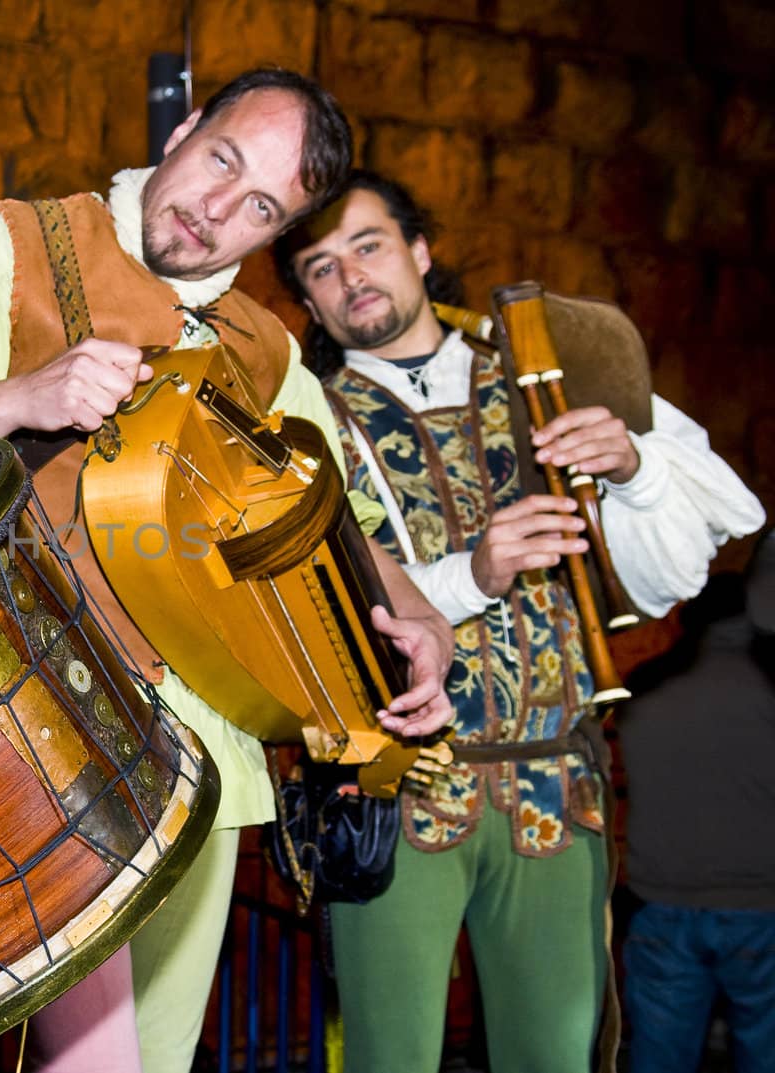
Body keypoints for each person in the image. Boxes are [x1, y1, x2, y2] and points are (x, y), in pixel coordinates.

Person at [0, 69, 456, 1073]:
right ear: (188, 126)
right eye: (220, 161)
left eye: (259, 208)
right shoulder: (11, 246)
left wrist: (417, 615)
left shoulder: (269, 353)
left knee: (153, 1056)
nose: (213, 211)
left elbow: (341, 523)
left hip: (210, 756)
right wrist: (8, 400)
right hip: (19, 731)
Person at [273, 168, 766, 1072]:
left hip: (555, 787)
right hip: (397, 790)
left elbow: (673, 576)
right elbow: (310, 611)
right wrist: (474, 574)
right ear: (307, 296)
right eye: (320, 267)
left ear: (421, 251)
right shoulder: (303, 419)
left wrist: (633, 466)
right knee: (389, 1059)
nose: (350, 278)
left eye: (369, 245)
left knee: (556, 1058)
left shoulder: (554, 366)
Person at [620, 531, 775, 1073]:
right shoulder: (766, 688)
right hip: (761, 907)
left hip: (660, 904)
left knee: (659, 1058)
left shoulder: (643, 688)